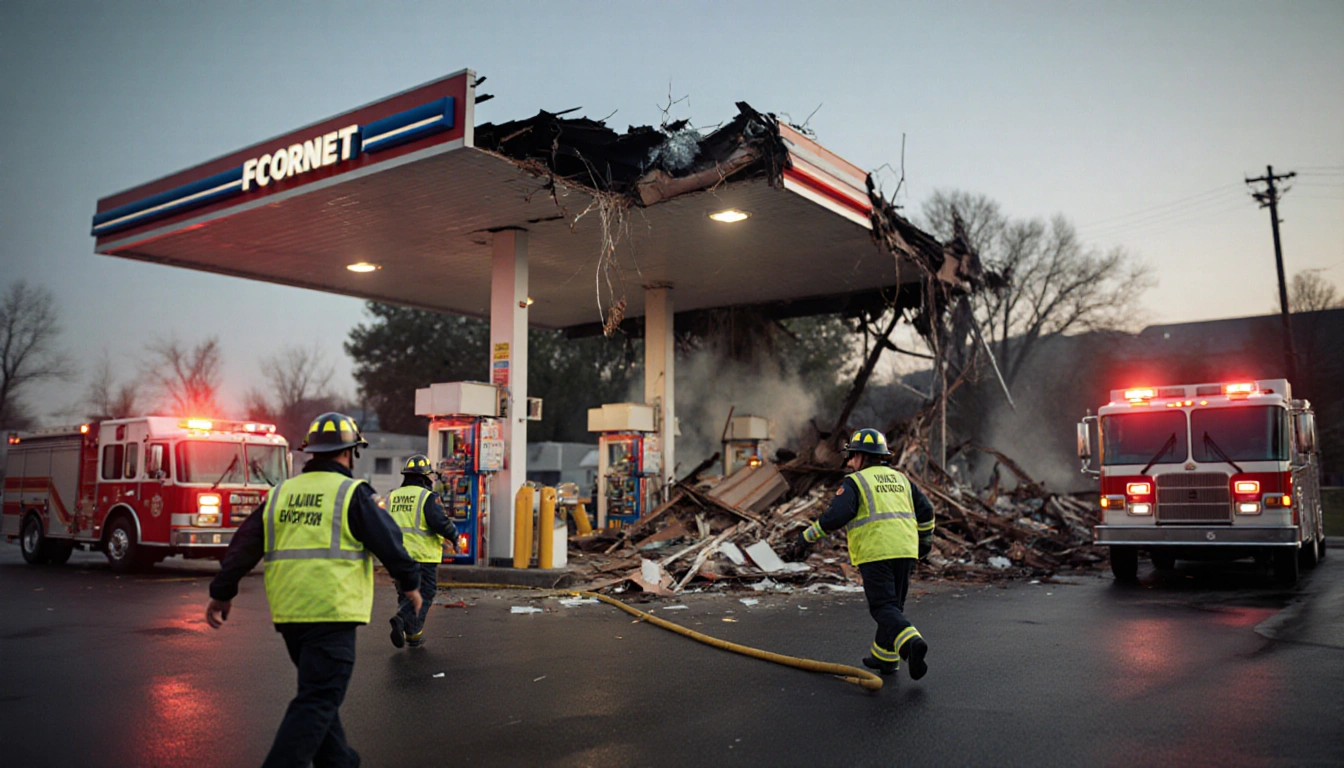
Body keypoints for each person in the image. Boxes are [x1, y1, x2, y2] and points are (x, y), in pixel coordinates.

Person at [205, 412, 423, 768]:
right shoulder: (350, 492)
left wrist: (222, 591)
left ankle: (340, 762)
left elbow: (243, 544)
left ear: (311, 452)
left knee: (318, 696)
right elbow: (388, 540)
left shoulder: (281, 493)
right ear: (348, 452)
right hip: (332, 613)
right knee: (319, 699)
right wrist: (410, 582)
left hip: (290, 616)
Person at [794, 427, 936, 680]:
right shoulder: (901, 479)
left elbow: (836, 516)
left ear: (862, 456)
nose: (849, 462)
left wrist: (806, 537)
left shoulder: (856, 482)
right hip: (905, 550)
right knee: (894, 607)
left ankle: (911, 643)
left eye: (851, 456)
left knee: (882, 607)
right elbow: (926, 510)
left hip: (877, 552)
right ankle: (885, 658)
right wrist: (924, 543)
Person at [386, 453, 458, 648]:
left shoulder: (392, 496)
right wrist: (454, 536)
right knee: (425, 592)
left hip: (397, 556)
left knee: (405, 593)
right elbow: (439, 522)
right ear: (425, 477)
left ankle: (414, 634)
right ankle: (401, 618)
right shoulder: (427, 497)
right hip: (422, 555)